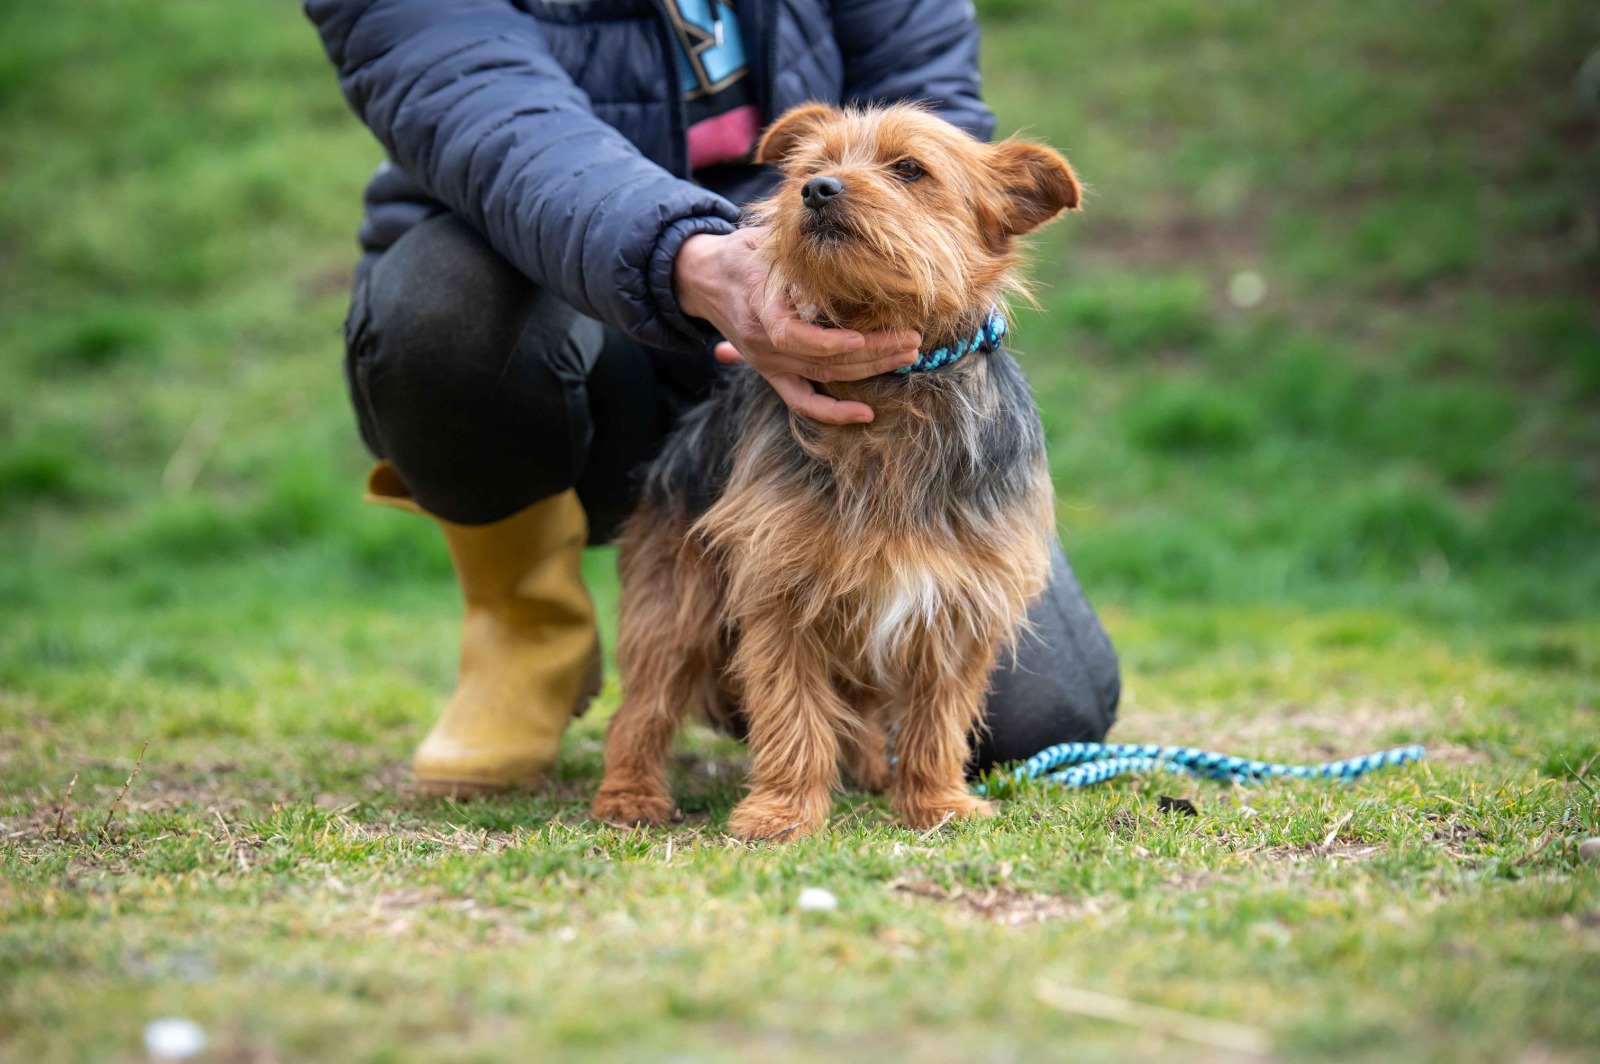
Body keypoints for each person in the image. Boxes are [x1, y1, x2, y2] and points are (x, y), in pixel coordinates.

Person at [303, 0, 1121, 796]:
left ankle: (840, 723)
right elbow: (473, 102)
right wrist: (682, 256)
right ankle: (526, 627)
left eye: (902, 171)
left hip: (851, 350)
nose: (824, 185)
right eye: (811, 171)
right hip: (572, 313)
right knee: (448, 305)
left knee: (1042, 721)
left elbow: (928, 89)